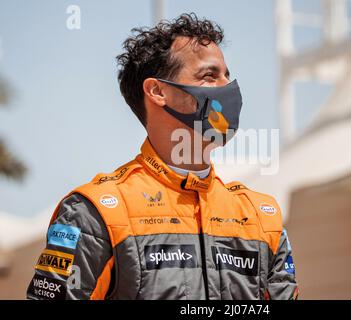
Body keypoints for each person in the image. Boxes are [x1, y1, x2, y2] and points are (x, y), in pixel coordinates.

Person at [26, 13, 299, 300]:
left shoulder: (262, 216)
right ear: (157, 91)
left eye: (227, 75)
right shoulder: (96, 212)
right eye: (210, 75)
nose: (228, 87)